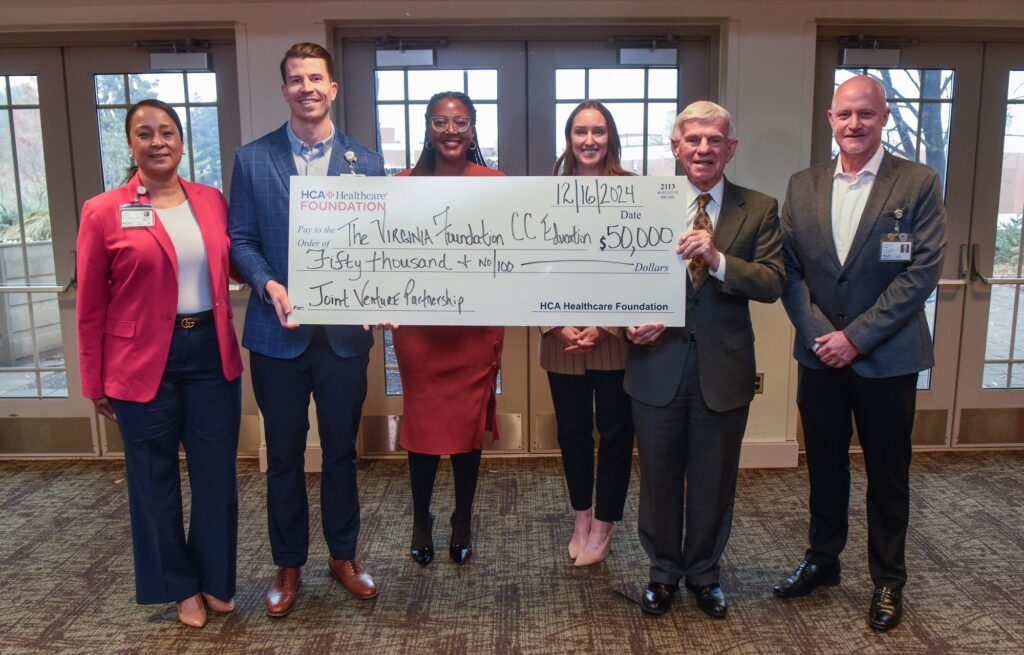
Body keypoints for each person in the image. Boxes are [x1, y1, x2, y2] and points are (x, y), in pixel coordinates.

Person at [774, 75, 946, 632]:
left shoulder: (917, 182)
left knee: (887, 474)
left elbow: (920, 273)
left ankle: (887, 580)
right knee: (824, 467)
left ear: (884, 117)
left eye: (866, 115)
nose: (855, 124)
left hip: (885, 359)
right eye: (845, 115)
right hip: (819, 356)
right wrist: (823, 334)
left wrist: (857, 337)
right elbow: (791, 272)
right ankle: (823, 562)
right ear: (830, 119)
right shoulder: (802, 185)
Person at [228, 42, 383, 616]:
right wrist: (268, 284)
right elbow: (240, 241)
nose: (306, 88)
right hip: (278, 336)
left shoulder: (365, 162)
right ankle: (288, 564)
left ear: (332, 88)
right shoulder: (252, 158)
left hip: (343, 339)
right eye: (296, 80)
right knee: (285, 454)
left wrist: (380, 292)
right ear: (285, 89)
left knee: (342, 451)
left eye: (315, 78)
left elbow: (378, 244)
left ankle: (343, 556)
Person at [76, 99, 243, 628]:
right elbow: (91, 306)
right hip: (139, 360)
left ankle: (215, 579)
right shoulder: (103, 210)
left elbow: (238, 260)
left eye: (167, 131)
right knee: (154, 480)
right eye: (144, 133)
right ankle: (179, 587)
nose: (157, 141)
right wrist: (92, 378)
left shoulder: (210, 200)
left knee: (217, 476)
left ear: (182, 140)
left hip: (210, 354)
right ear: (130, 144)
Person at [625, 101, 784, 618]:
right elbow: (617, 274)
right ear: (675, 148)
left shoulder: (758, 208)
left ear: (730, 149)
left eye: (714, 140)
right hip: (657, 366)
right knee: (659, 477)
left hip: (723, 368)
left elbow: (772, 282)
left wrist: (718, 261)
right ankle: (662, 572)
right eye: (692, 139)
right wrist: (627, 320)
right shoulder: (645, 203)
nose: (702, 149)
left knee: (715, 479)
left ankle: (705, 573)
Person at [393, 91, 504, 567]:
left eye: (460, 122)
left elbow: (512, 251)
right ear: (428, 128)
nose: (451, 130)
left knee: (465, 429)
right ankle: (422, 518)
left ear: (473, 130)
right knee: (422, 425)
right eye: (441, 121)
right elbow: (385, 253)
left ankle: (462, 517)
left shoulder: (497, 183)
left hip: (474, 331)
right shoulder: (401, 184)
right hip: (420, 331)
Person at [542, 101, 634, 567]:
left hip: (615, 343)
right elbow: (529, 267)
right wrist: (555, 324)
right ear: (569, 137)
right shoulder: (546, 194)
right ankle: (582, 514)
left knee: (616, 435)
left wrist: (608, 325)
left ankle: (607, 520)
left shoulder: (634, 192)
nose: (590, 140)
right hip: (561, 342)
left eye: (598, 131)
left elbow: (645, 270)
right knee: (573, 434)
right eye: (581, 131)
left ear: (610, 137)